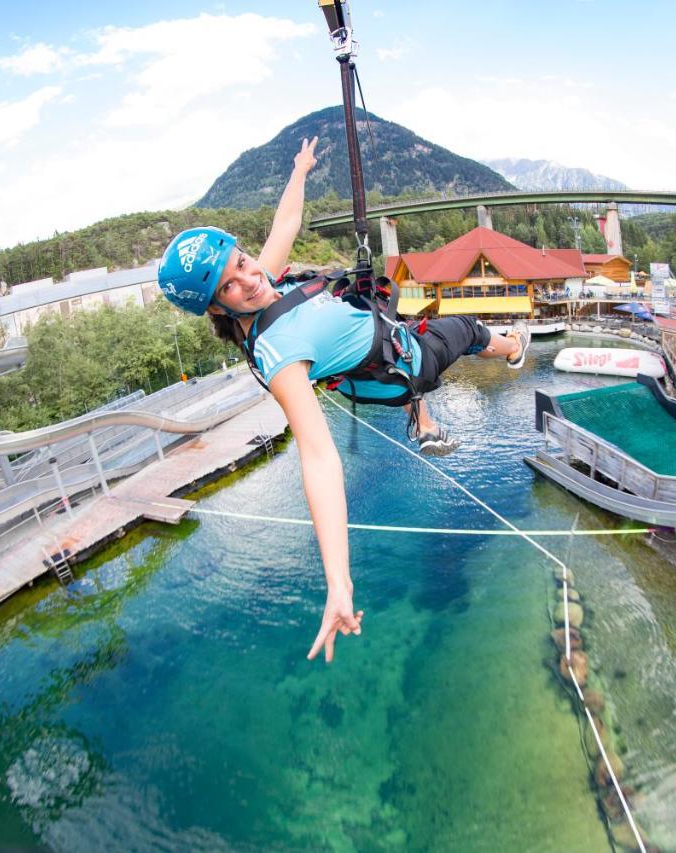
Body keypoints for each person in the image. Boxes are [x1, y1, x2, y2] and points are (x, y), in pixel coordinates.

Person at [156, 138, 529, 663]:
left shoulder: (261, 287)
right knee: (467, 330)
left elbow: (283, 227)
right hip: (407, 360)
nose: (250, 278)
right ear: (217, 309)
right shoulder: (280, 354)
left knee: (396, 319)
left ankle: (421, 418)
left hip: (378, 349)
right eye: (233, 285)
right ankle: (513, 348)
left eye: (242, 262)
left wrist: (299, 170)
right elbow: (317, 457)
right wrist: (339, 582)